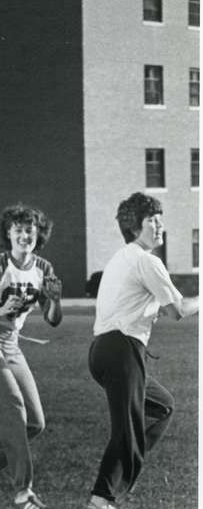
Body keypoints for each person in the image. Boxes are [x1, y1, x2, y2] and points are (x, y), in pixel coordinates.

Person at [85, 192, 199, 509]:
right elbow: (177, 310)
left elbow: (153, 306)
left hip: (102, 351)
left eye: (160, 219)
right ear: (136, 225)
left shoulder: (121, 258)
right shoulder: (146, 260)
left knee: (163, 406)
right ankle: (100, 500)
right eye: (152, 220)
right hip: (122, 350)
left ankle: (122, 470)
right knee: (127, 431)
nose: (160, 226)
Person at [0, 204, 63, 509]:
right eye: (17, 229)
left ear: (38, 234)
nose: (24, 234)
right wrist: (1, 310)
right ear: (8, 233)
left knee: (35, 423)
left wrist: (55, 300)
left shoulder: (43, 268)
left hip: (11, 344)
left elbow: (53, 319)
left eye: (29, 229)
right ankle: (23, 493)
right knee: (14, 409)